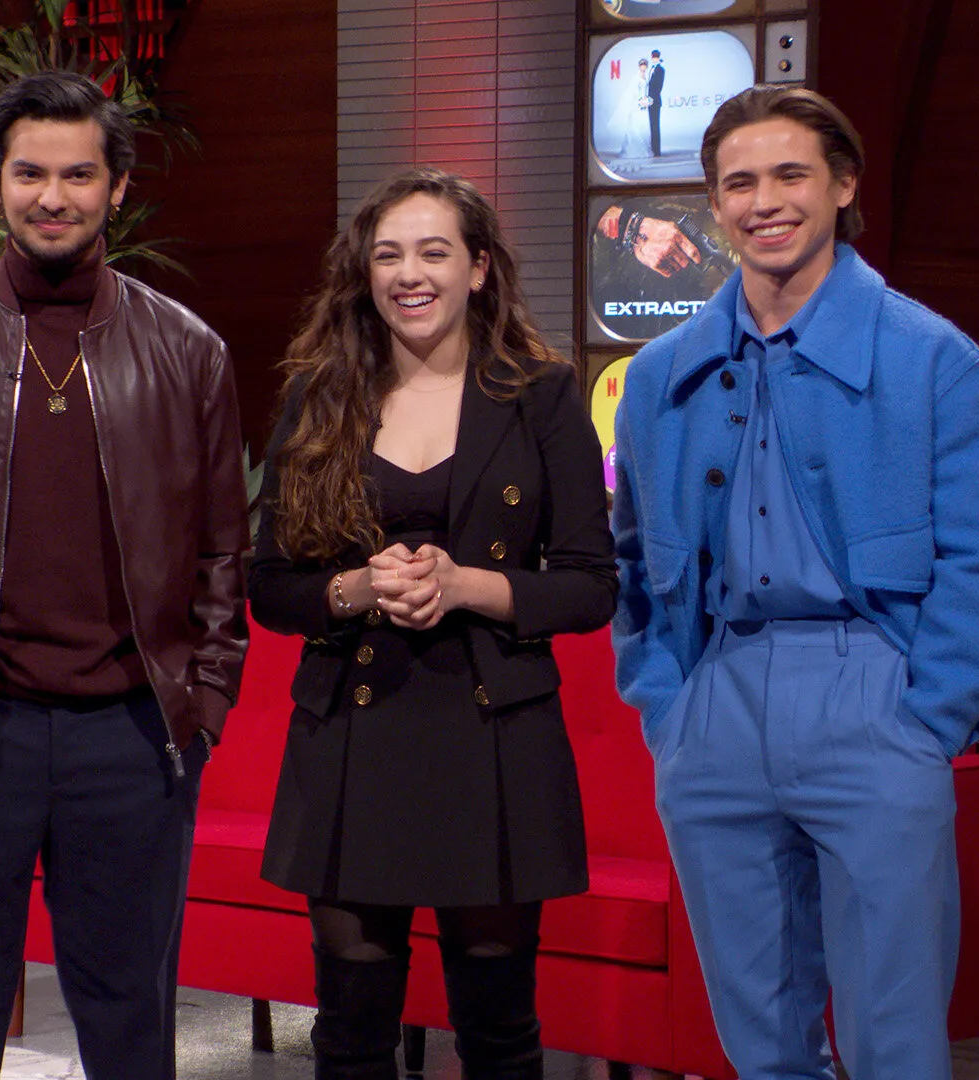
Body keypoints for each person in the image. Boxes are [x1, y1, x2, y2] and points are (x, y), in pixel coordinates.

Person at [611, 86, 979, 1080]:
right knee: (757, 1038)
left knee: (893, 1038)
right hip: (716, 700)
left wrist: (930, 716)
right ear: (714, 205)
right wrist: (666, 706)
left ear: (843, 185)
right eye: (739, 183)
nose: (764, 201)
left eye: (790, 175)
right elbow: (633, 554)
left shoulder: (931, 356)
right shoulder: (659, 375)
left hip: (875, 693)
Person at [0, 69, 249, 1080]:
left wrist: (205, 702)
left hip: (132, 736)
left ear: (118, 188)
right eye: (30, 174)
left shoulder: (188, 350)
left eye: (78, 175)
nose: (52, 197)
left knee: (131, 1022)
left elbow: (221, 551)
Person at [249, 167, 617, 1080]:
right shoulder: (317, 397)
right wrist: (355, 590)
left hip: (495, 738)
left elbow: (589, 587)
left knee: (498, 1035)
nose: (409, 274)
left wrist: (466, 586)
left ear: (478, 268)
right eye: (388, 256)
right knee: (349, 1034)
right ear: (364, 273)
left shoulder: (543, 396)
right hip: (352, 737)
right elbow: (272, 587)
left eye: (434, 252)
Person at [616, 58, 652, 159]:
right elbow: (634, 90)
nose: (643, 67)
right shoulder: (636, 77)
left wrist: (646, 99)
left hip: (643, 103)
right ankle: (633, 150)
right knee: (635, 125)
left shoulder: (646, 76)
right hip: (637, 103)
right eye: (642, 65)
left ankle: (644, 148)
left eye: (645, 66)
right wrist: (640, 100)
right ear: (639, 66)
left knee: (643, 125)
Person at [646, 49, 666, 156]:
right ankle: (653, 149)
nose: (654, 59)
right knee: (652, 125)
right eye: (653, 57)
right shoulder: (651, 69)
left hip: (655, 101)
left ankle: (657, 150)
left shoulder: (661, 70)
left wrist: (650, 99)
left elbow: (658, 87)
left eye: (656, 57)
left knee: (655, 126)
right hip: (649, 101)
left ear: (658, 58)